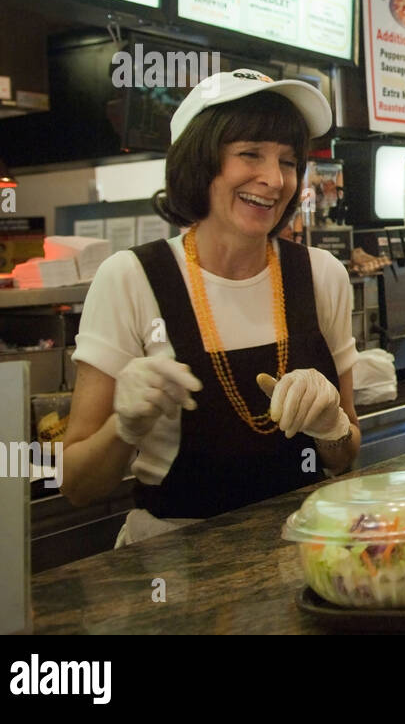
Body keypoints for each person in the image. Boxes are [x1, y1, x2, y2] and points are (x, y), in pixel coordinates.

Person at [63, 69, 360, 545]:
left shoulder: (321, 275)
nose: (274, 179)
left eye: (287, 161)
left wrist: (331, 427)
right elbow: (78, 485)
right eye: (250, 154)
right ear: (199, 161)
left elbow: (343, 456)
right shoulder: (131, 278)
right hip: (176, 564)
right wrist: (125, 424)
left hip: (305, 549)